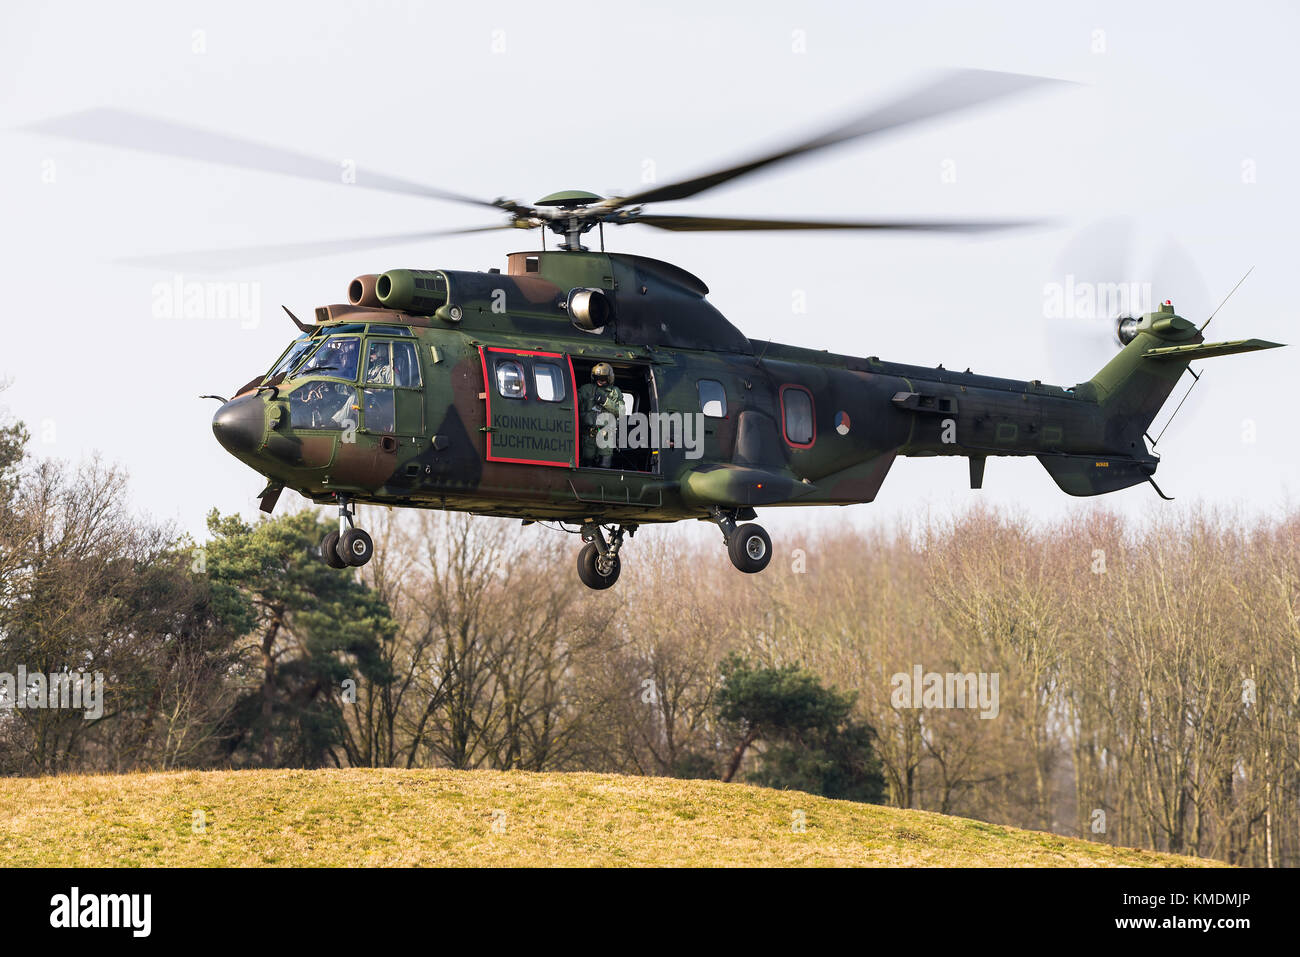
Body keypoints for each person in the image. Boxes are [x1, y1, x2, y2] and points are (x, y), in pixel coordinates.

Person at [577, 362, 622, 468]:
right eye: (598, 377)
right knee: (586, 462)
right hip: (588, 434)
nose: (600, 380)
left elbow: (621, 411)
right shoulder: (585, 390)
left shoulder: (614, 392)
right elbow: (573, 405)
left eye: (603, 378)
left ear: (609, 378)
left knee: (604, 464)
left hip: (606, 436)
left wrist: (606, 401)